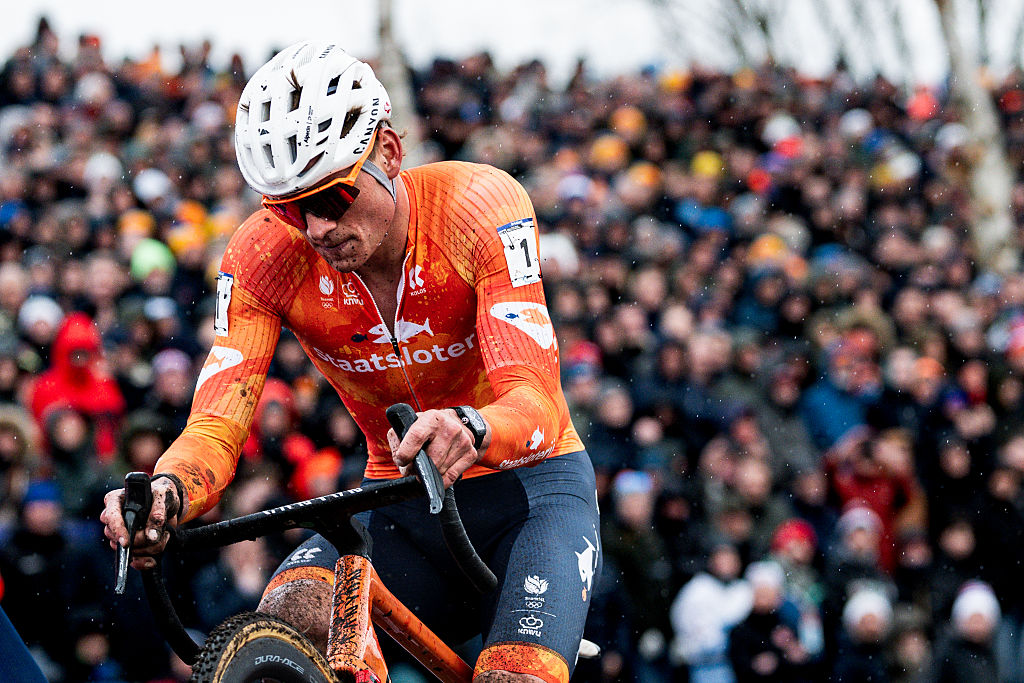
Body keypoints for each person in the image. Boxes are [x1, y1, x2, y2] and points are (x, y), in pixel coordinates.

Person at [101, 41, 600, 683]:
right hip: (397, 495)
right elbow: (214, 427)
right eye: (286, 207)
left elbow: (533, 395)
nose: (312, 228)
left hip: (531, 489)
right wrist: (169, 491)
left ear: (388, 153)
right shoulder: (263, 258)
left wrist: (474, 426)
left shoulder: (480, 205)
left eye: (331, 198)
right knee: (289, 623)